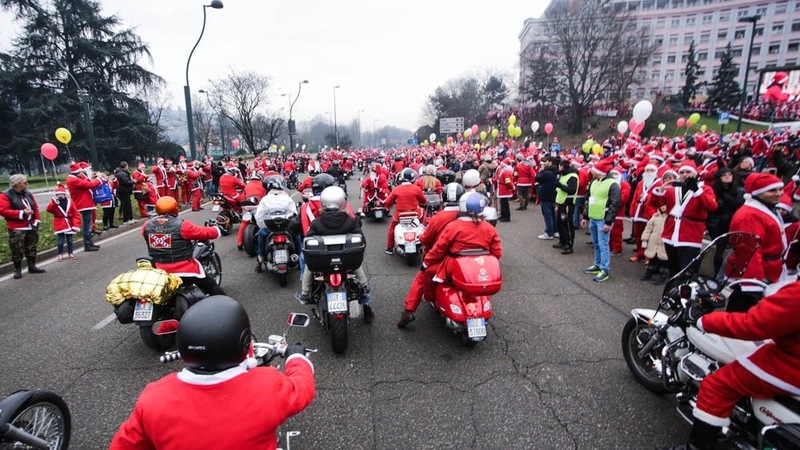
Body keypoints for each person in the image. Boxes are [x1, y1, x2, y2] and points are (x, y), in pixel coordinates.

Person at [109, 295, 315, 450]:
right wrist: (296, 356)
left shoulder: (153, 398)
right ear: (244, 341)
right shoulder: (268, 385)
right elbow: (302, 387)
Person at [659, 280, 800, 450]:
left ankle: (696, 447)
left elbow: (752, 324)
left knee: (716, 385)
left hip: (791, 363)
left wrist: (702, 320)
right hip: (791, 350)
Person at [398, 191, 502, 328]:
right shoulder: (488, 227)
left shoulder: (453, 226)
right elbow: (497, 252)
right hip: (478, 267)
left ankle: (413, 308)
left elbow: (439, 248)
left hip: (453, 265)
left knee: (423, 275)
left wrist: (426, 262)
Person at [397, 183, 464, 327]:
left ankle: (408, 312)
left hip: (441, 260)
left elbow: (426, 239)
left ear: (443, 197)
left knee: (420, 279)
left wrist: (421, 238)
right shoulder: (470, 217)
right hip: (467, 261)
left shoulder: (439, 217)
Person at [725, 173, 789, 312]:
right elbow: (749, 252)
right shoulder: (749, 215)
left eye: (780, 189)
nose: (778, 194)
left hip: (768, 270)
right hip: (756, 273)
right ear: (758, 192)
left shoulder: (766, 208)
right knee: (743, 313)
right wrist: (753, 282)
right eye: (772, 190)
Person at [142, 196, 224, 296]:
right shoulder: (183, 225)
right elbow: (203, 232)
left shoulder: (147, 225)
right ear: (175, 209)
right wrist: (216, 229)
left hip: (158, 270)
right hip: (183, 270)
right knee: (211, 285)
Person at [649, 160, 718, 278]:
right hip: (671, 234)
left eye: (688, 172)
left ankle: (683, 295)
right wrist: (660, 190)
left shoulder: (704, 189)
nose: (685, 174)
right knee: (673, 270)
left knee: (687, 271)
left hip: (690, 235)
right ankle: (672, 294)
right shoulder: (673, 189)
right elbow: (654, 203)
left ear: (695, 174)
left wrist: (696, 191)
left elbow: (712, 207)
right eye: (682, 172)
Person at [581, 156, 622, 283]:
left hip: (603, 219)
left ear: (600, 172)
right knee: (596, 243)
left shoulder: (613, 184)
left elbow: (615, 204)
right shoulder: (594, 182)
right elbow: (588, 200)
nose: (591, 171)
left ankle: (604, 269)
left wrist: (609, 222)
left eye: (594, 170)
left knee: (603, 244)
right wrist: (585, 216)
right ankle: (597, 265)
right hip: (594, 217)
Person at [0, 174, 46, 279]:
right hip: (17, 226)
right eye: (24, 183)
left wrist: (37, 220)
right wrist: (21, 213)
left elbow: (35, 207)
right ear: (17, 184)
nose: (27, 184)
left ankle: (32, 266)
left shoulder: (28, 194)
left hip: (31, 225)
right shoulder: (5, 195)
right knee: (17, 249)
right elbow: (3, 211)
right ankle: (17, 269)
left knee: (31, 246)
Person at [255, 176, 298, 273]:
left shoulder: (265, 199)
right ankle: (299, 255)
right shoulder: (287, 198)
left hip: (270, 229)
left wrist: (263, 227)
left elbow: (259, 217)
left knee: (261, 234)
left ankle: (261, 259)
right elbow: (294, 215)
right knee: (297, 234)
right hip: (286, 228)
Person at [707, 167, 744, 275]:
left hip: (731, 222)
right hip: (717, 223)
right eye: (724, 175)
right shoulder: (714, 190)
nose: (728, 176)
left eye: (729, 174)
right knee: (719, 251)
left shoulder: (737, 190)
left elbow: (738, 203)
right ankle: (716, 274)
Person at [384, 168, 427, 254]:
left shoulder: (397, 189)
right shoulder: (416, 188)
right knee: (423, 223)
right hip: (415, 214)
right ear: (413, 178)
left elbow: (388, 202)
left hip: (400, 215)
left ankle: (390, 247)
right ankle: (426, 240)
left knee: (392, 227)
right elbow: (424, 201)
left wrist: (387, 206)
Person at [66, 161, 102, 251]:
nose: (82, 173)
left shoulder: (74, 178)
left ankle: (90, 242)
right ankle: (87, 244)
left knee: (88, 225)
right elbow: (88, 185)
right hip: (83, 204)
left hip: (85, 203)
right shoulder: (73, 180)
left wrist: (92, 178)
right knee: (87, 225)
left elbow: (85, 182)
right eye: (81, 172)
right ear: (76, 173)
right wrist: (99, 179)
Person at [46, 183, 81, 262]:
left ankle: (70, 252)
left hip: (69, 223)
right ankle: (60, 254)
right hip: (60, 224)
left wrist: (76, 224)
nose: (60, 196)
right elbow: (49, 209)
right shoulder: (55, 203)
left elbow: (75, 213)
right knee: (60, 241)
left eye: (62, 194)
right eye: (58, 194)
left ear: (64, 194)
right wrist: (54, 203)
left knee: (70, 240)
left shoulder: (69, 202)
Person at [554, 158, 579, 254]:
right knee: (560, 223)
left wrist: (560, 185)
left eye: (559, 166)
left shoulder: (572, 176)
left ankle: (569, 244)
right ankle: (562, 241)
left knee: (567, 224)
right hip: (561, 202)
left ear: (562, 166)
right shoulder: (563, 175)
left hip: (567, 203)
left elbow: (572, 190)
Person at [640, 204, 669, 284]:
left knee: (664, 259)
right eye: (661, 206)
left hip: (664, 242)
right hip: (653, 240)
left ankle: (663, 275)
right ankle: (648, 272)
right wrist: (645, 239)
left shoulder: (670, 217)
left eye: (665, 206)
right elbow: (648, 228)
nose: (663, 207)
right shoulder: (655, 216)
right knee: (652, 258)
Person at [535, 156, 559, 237]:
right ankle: (555, 230)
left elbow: (537, 178)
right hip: (553, 195)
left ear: (550, 162)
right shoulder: (556, 172)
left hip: (546, 195)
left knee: (547, 214)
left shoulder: (547, 173)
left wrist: (542, 169)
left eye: (547, 162)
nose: (545, 164)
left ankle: (549, 232)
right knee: (553, 214)